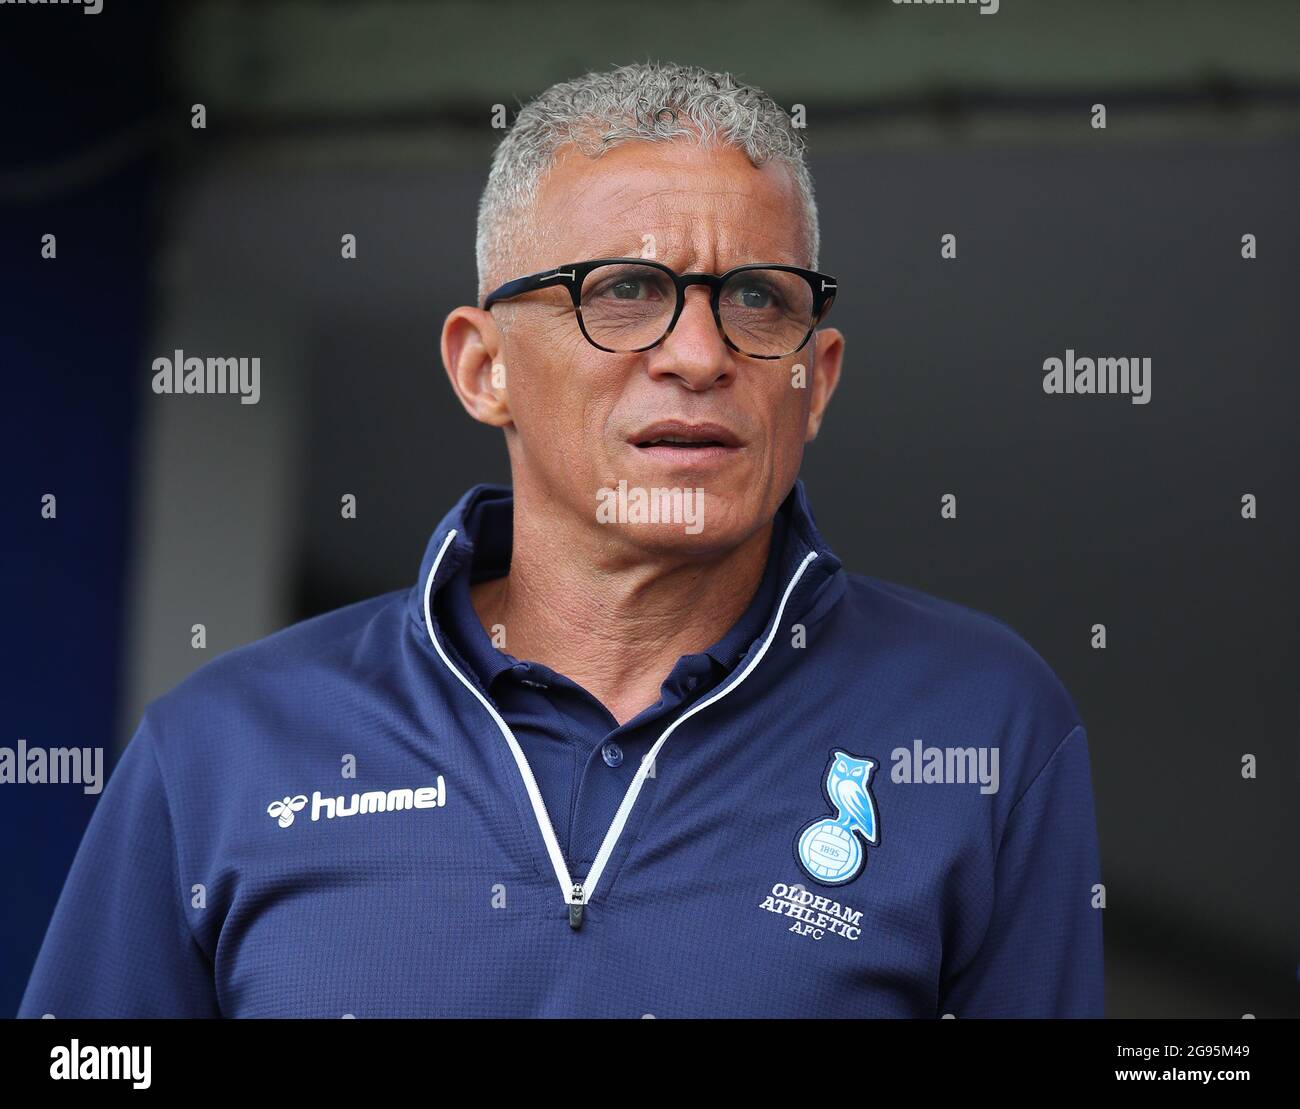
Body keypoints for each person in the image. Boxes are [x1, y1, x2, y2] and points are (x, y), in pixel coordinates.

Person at [20, 61, 1102, 1018]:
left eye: (758, 300)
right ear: (481, 366)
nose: (696, 352)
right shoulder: (225, 747)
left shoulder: (979, 721)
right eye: (623, 291)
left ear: (812, 381)